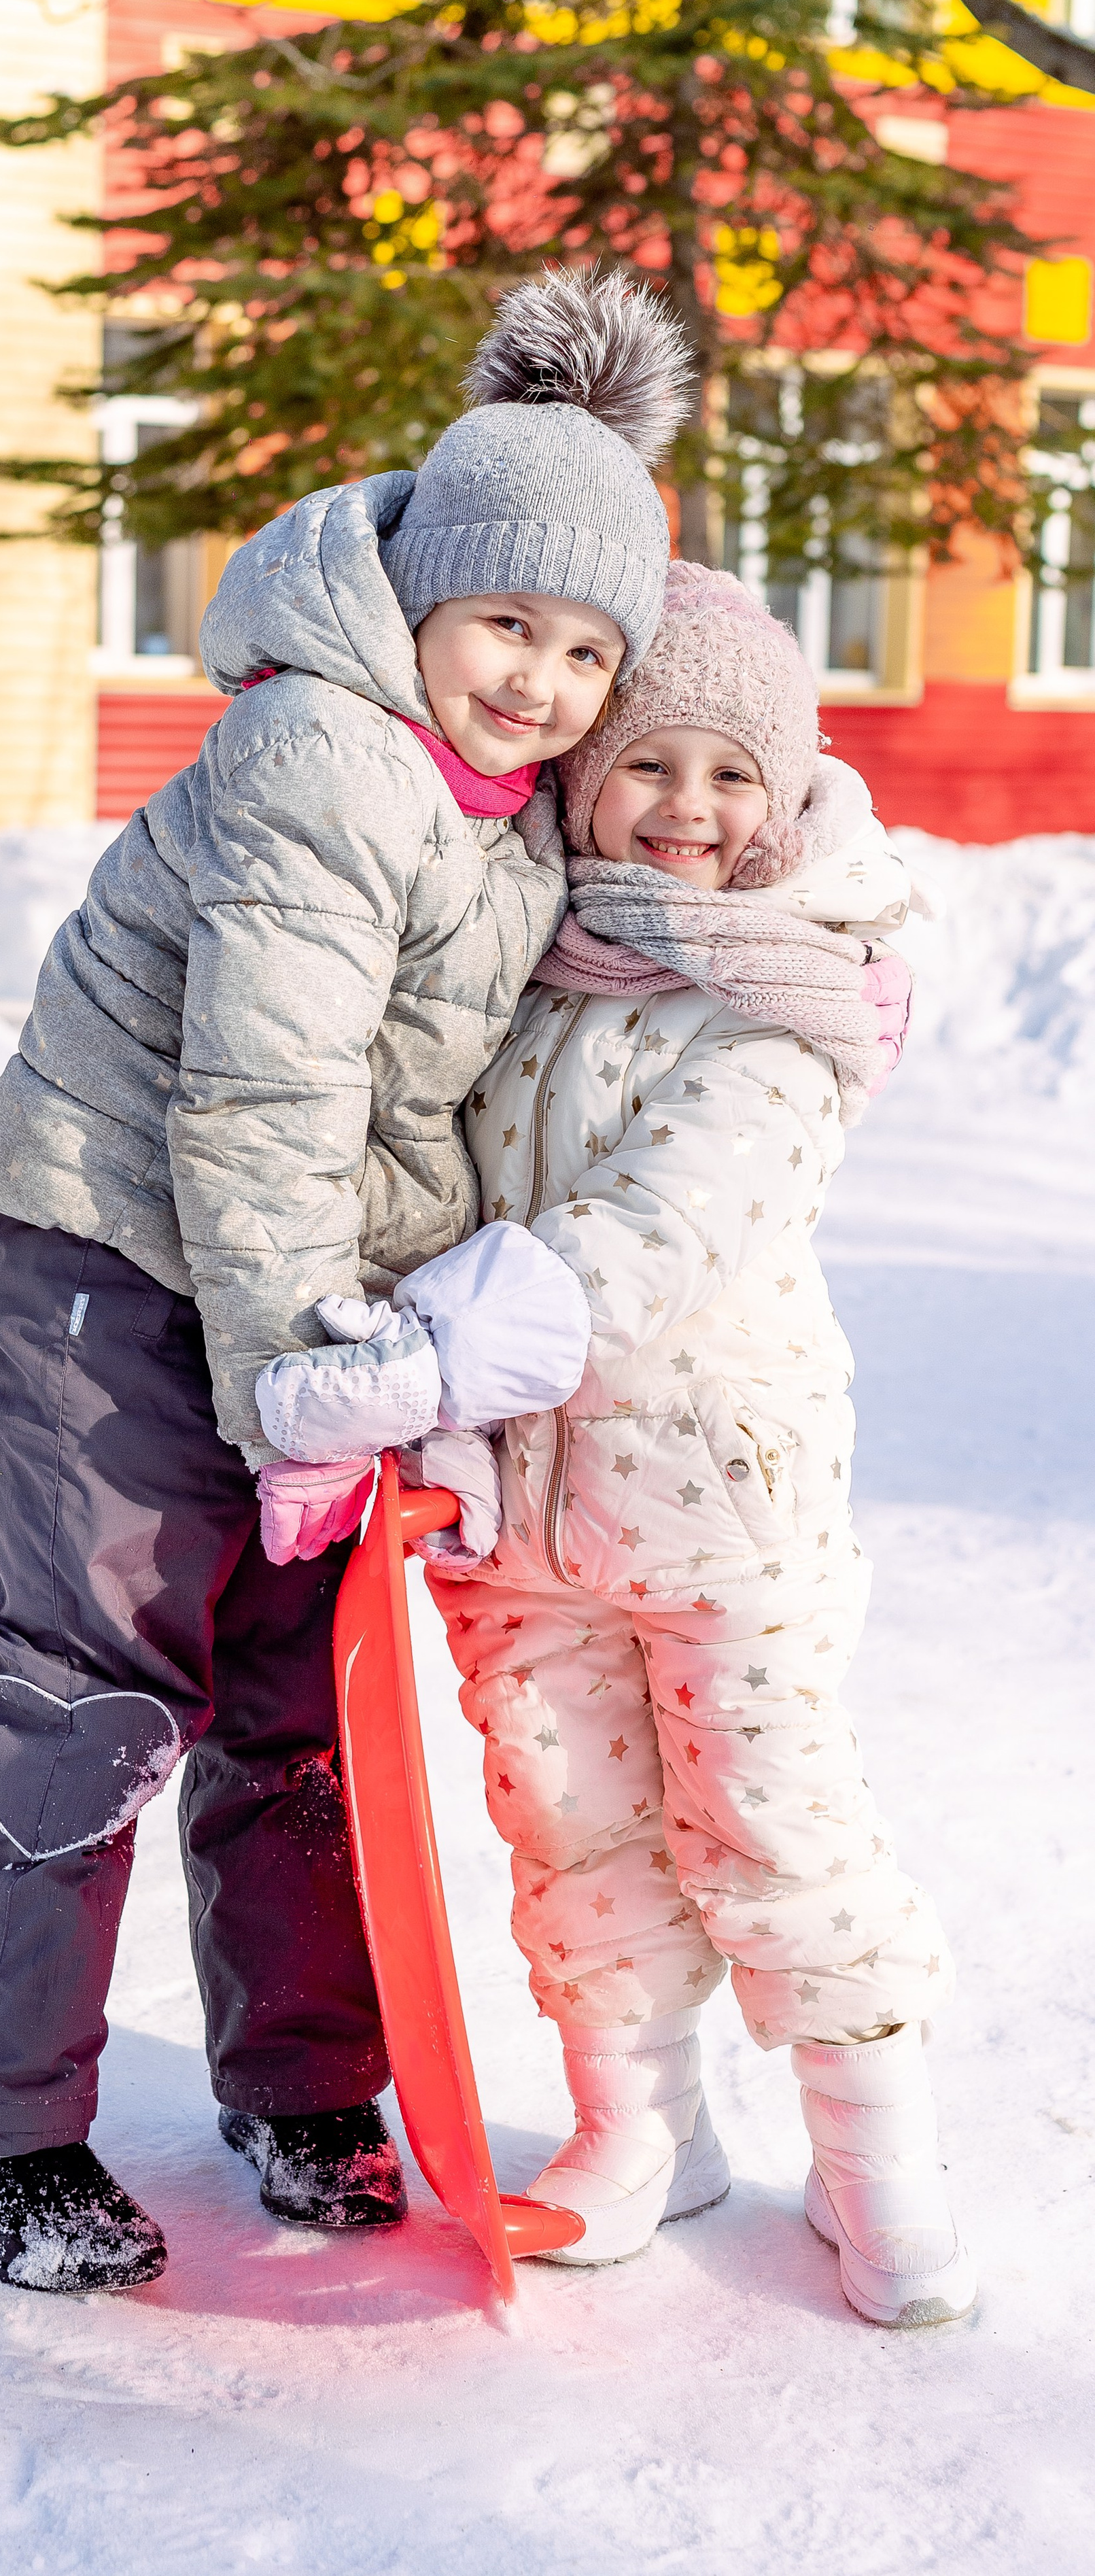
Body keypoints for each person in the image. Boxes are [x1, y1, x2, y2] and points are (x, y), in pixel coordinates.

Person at [0, 267, 706, 2296]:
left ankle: (303, 2081)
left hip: (276, 1307)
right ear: (420, 590)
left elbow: (411, 1117)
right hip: (109, 1266)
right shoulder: (326, 755)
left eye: (588, 649)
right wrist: (298, 1381)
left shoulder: (504, 818)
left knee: (288, 1707)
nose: (539, 677)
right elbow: (265, 1092)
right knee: (87, 1692)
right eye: (506, 620)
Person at [409, 563, 968, 2327]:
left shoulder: (792, 1006)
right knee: (570, 1826)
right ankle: (639, 2132)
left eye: (735, 774)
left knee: (774, 1828)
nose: (690, 809)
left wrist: (423, 1356)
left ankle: (882, 2169)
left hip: (721, 1503)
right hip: (522, 1518)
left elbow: (659, 1238)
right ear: (585, 778)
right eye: (652, 765)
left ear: (785, 792)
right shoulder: (523, 965)